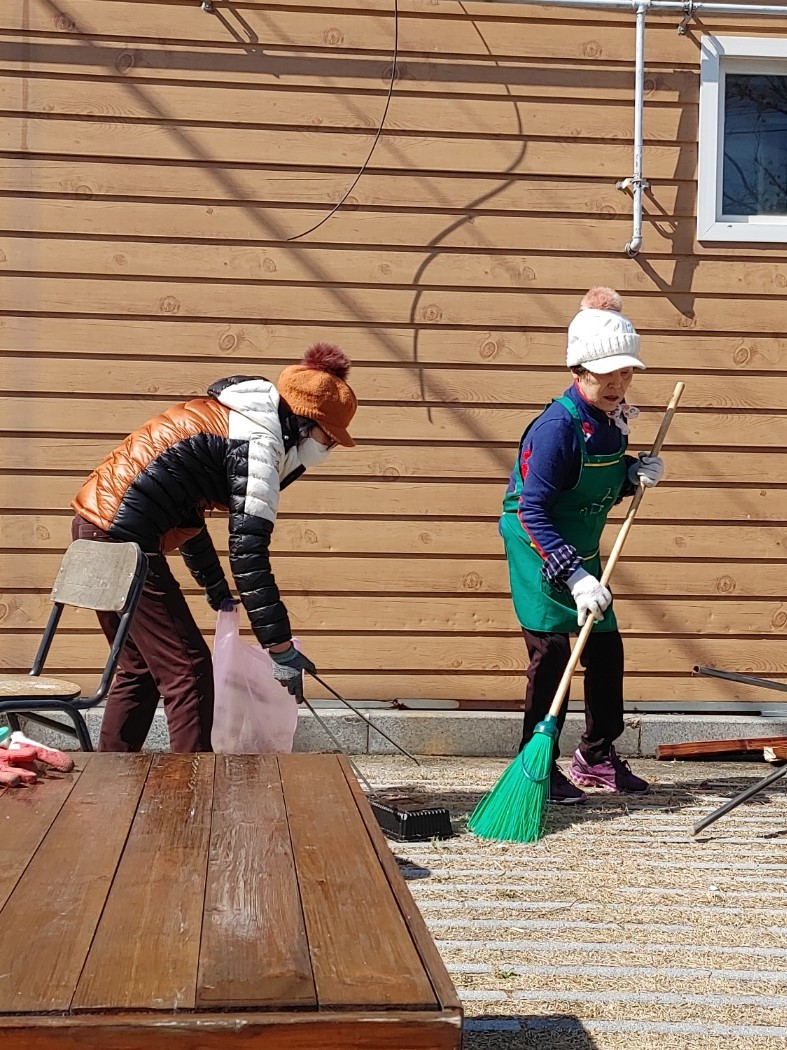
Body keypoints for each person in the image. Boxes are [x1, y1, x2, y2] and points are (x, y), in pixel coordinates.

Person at [70, 343, 356, 753]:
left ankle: (107, 784)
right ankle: (193, 799)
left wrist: (215, 587)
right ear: (304, 421)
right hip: (121, 540)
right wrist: (280, 647)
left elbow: (185, 515)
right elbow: (250, 552)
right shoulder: (258, 440)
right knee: (188, 670)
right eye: (329, 438)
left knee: (139, 669)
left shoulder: (231, 419)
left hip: (94, 528)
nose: (328, 449)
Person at [501, 287, 664, 804]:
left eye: (627, 372)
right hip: (539, 545)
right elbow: (533, 509)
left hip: (583, 547)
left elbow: (595, 487)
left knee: (606, 650)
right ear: (580, 371)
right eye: (608, 373)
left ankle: (595, 755)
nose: (619, 383)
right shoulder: (555, 429)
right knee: (551, 653)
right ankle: (537, 763)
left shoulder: (611, 421)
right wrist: (573, 575)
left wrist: (632, 474)